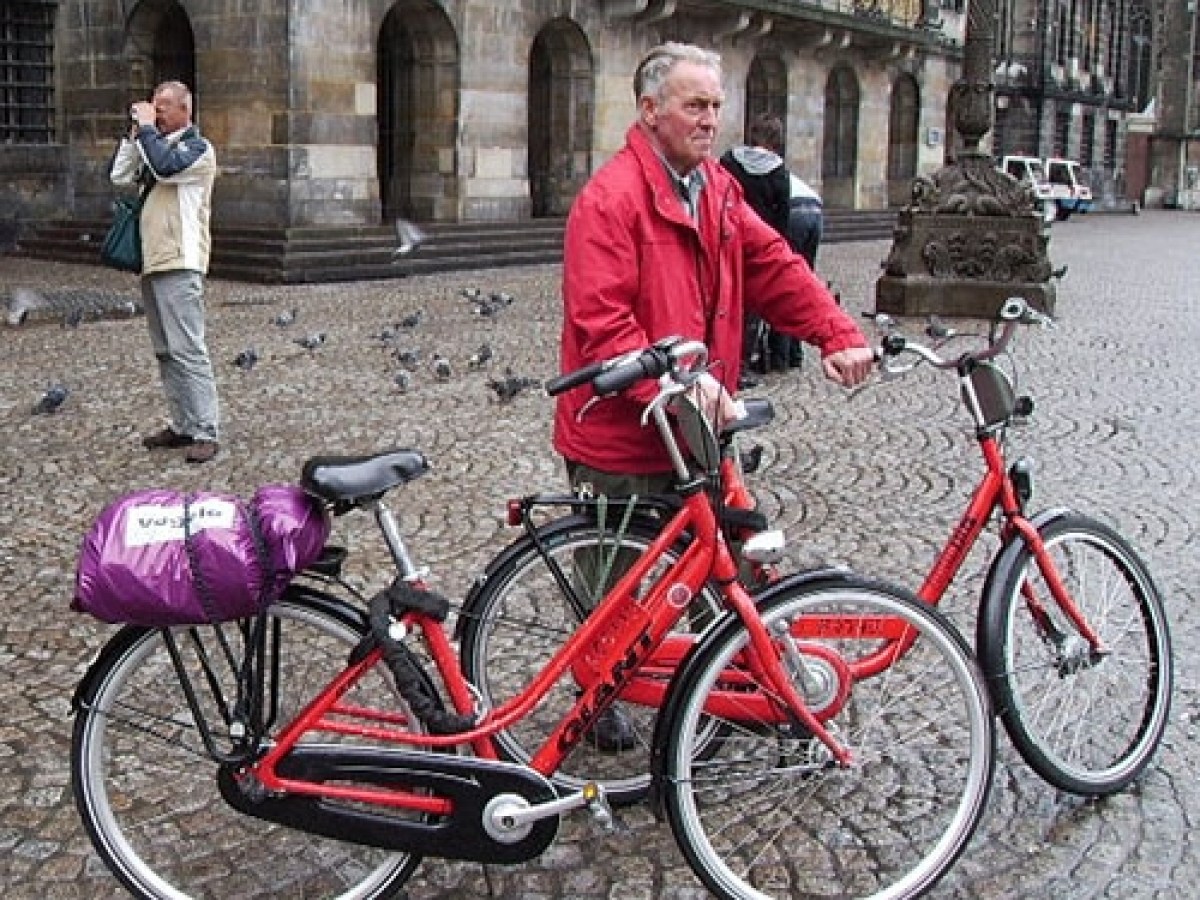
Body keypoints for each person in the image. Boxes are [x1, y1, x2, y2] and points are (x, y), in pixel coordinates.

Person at [553, 42, 874, 748]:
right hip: (623, 429)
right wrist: (677, 383)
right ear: (650, 110)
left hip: (698, 425)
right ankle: (599, 688)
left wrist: (835, 331)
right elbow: (603, 323)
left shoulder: (717, 190)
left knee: (730, 555)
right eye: (695, 106)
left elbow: (773, 265)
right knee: (613, 578)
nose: (709, 121)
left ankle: (726, 679)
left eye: (715, 107)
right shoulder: (610, 199)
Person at [110, 80, 220, 464]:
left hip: (181, 259)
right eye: (153, 107)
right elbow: (120, 177)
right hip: (154, 260)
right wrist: (133, 137)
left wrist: (147, 132)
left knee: (189, 348)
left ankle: (206, 429)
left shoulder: (198, 150)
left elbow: (166, 168)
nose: (156, 114)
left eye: (164, 108)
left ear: (185, 111)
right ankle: (183, 424)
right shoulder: (153, 144)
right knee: (166, 351)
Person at [720, 112, 824, 376]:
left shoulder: (729, 161)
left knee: (725, 303)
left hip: (728, 239)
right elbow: (780, 218)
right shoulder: (778, 172)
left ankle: (724, 360)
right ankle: (746, 364)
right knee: (753, 308)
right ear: (777, 140)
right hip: (757, 244)